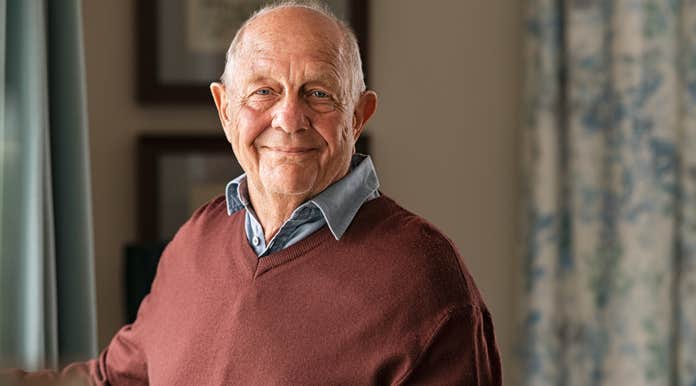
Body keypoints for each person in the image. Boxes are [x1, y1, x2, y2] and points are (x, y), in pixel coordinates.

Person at [2, 1, 501, 384]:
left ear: (359, 115)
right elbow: (110, 378)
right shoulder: (196, 240)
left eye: (319, 93)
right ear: (224, 109)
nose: (288, 119)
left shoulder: (425, 278)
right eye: (264, 91)